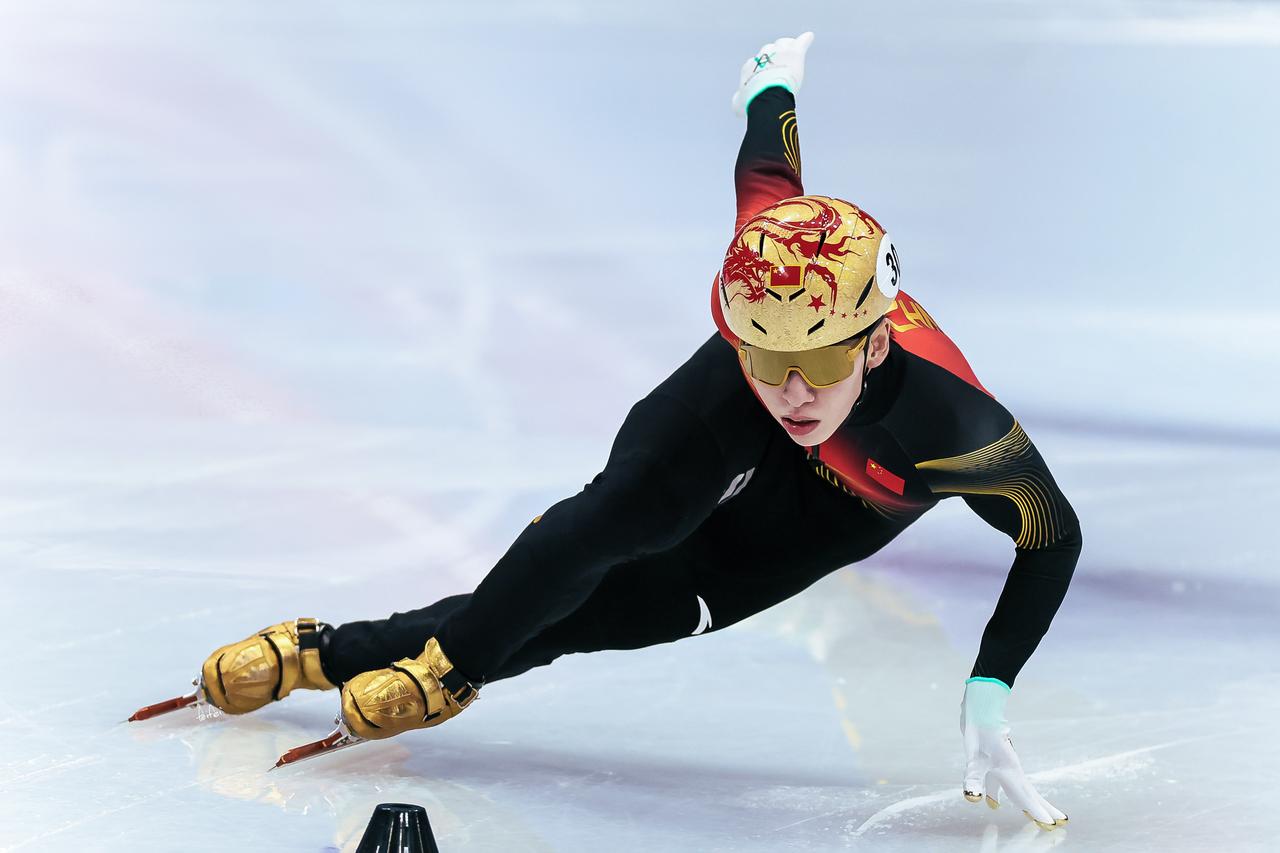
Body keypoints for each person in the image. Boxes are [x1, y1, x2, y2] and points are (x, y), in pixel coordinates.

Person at [187, 33, 1079, 830]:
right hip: (732, 405)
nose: (793, 392)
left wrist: (989, 688)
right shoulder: (768, 284)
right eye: (768, 355)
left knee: (604, 612)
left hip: (847, 501)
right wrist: (772, 84)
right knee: (620, 515)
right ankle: (406, 662)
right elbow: (770, 173)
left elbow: (1051, 536)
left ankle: (323, 653)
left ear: (876, 342)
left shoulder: (958, 429)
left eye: (817, 361)